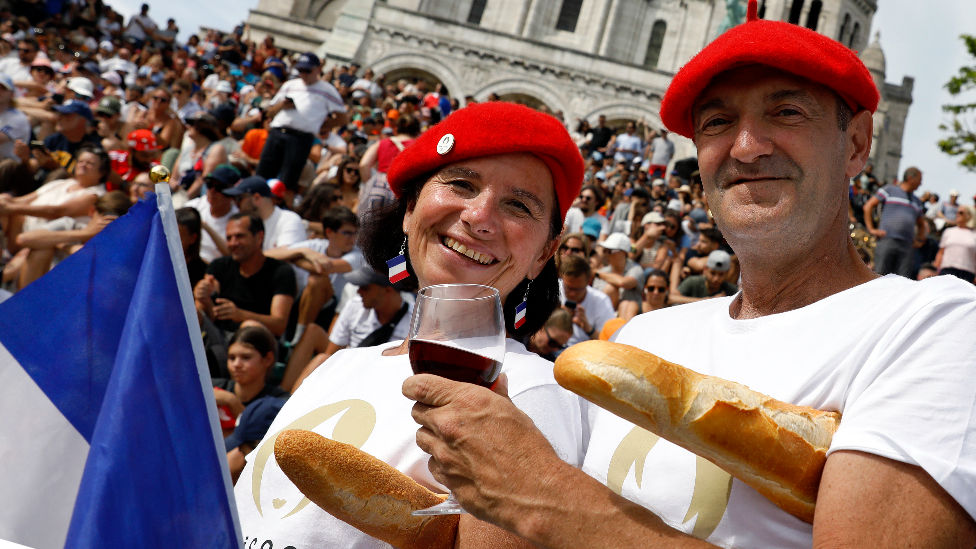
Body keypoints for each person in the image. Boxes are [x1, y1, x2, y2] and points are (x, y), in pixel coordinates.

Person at [402, 2, 976, 547]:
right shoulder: (641, 339)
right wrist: (483, 466)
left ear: (855, 144)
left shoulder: (937, 327)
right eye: (718, 122)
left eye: (787, 111)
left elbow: (541, 501)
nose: (747, 148)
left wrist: (541, 495)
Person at [233, 102, 587, 549]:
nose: (479, 217)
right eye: (461, 184)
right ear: (410, 208)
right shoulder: (339, 365)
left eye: (517, 205)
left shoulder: (531, 392)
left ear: (544, 252)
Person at [256, 52, 347, 203]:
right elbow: (270, 112)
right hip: (278, 132)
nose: (303, 74)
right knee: (262, 174)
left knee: (288, 181)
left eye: (307, 70)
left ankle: (282, 211)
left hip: (300, 138)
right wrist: (283, 105)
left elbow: (343, 118)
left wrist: (318, 125)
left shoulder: (327, 89)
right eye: (301, 70)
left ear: (318, 69)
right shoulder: (290, 85)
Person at [193, 212, 297, 338]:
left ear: (259, 237)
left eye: (240, 236)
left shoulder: (281, 272)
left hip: (259, 345)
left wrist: (241, 315)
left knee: (250, 326)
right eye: (229, 238)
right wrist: (204, 299)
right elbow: (209, 316)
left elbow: (279, 325)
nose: (233, 243)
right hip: (219, 339)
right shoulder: (219, 266)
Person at [863, 167, 927, 278]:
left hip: (906, 245)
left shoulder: (917, 202)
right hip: (887, 240)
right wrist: (871, 229)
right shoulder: (889, 190)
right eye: (919, 179)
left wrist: (920, 240)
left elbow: (921, 224)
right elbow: (868, 206)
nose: (921, 183)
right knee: (880, 276)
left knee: (901, 280)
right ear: (910, 178)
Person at [357, 114, 420, 217]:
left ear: (396, 129)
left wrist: (369, 185)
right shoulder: (417, 145)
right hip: (401, 187)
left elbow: (363, 165)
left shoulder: (382, 143)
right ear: (417, 131)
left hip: (378, 185)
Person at [223, 176, 307, 250]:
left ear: (256, 198)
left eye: (239, 198)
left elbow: (286, 252)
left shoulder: (288, 220)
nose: (235, 204)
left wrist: (248, 257)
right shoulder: (247, 224)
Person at [183, 165, 240, 262]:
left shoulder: (237, 220)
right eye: (209, 185)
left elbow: (232, 254)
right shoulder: (195, 206)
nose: (212, 191)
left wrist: (206, 227)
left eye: (219, 188)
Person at [559, 254, 615, 347]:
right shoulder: (552, 290)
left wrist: (588, 328)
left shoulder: (601, 301)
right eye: (568, 288)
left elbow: (609, 343)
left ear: (589, 282)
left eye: (577, 289)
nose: (572, 294)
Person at [592, 232, 644, 311]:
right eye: (605, 251)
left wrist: (597, 273)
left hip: (629, 314)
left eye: (610, 251)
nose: (606, 255)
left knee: (624, 303)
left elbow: (624, 283)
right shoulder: (603, 272)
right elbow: (597, 298)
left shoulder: (636, 269)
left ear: (624, 252)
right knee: (610, 288)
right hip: (607, 314)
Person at [672, 249, 738, 303]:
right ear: (705, 269)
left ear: (726, 273)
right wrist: (706, 301)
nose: (716, 279)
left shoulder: (731, 289)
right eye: (712, 273)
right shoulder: (693, 281)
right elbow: (672, 298)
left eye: (721, 274)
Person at [935, 206, 976, 283]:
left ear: (970, 216)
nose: (957, 214)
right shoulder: (948, 231)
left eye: (961, 213)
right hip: (947, 270)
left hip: (967, 273)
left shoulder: (974, 235)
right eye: (956, 212)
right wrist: (935, 269)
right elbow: (941, 252)